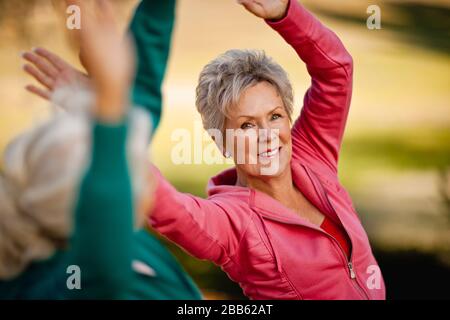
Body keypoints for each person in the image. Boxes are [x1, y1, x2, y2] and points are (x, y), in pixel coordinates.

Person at [147, 0, 386, 299]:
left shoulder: (312, 156)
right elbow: (170, 210)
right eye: (247, 125)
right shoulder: (234, 224)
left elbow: (336, 71)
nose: (267, 136)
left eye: (274, 117)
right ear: (222, 142)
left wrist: (285, 12)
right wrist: (109, 120)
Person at [0, 0, 201, 300]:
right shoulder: (72, 286)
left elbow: (139, 104)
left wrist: (107, 96)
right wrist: (107, 102)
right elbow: (102, 258)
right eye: (125, 165)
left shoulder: (69, 233)